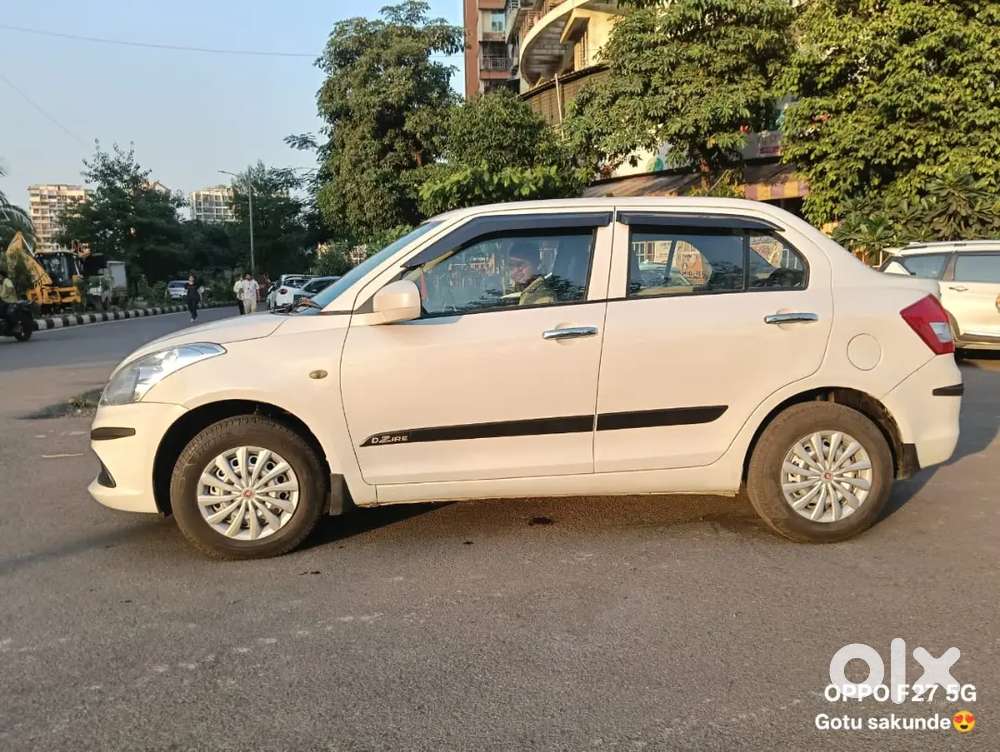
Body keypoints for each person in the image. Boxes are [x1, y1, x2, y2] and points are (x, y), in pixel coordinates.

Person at [509, 242, 554, 306]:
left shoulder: (543, 297)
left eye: (520, 265)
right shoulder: (515, 291)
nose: (515, 271)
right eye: (511, 265)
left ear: (536, 264)